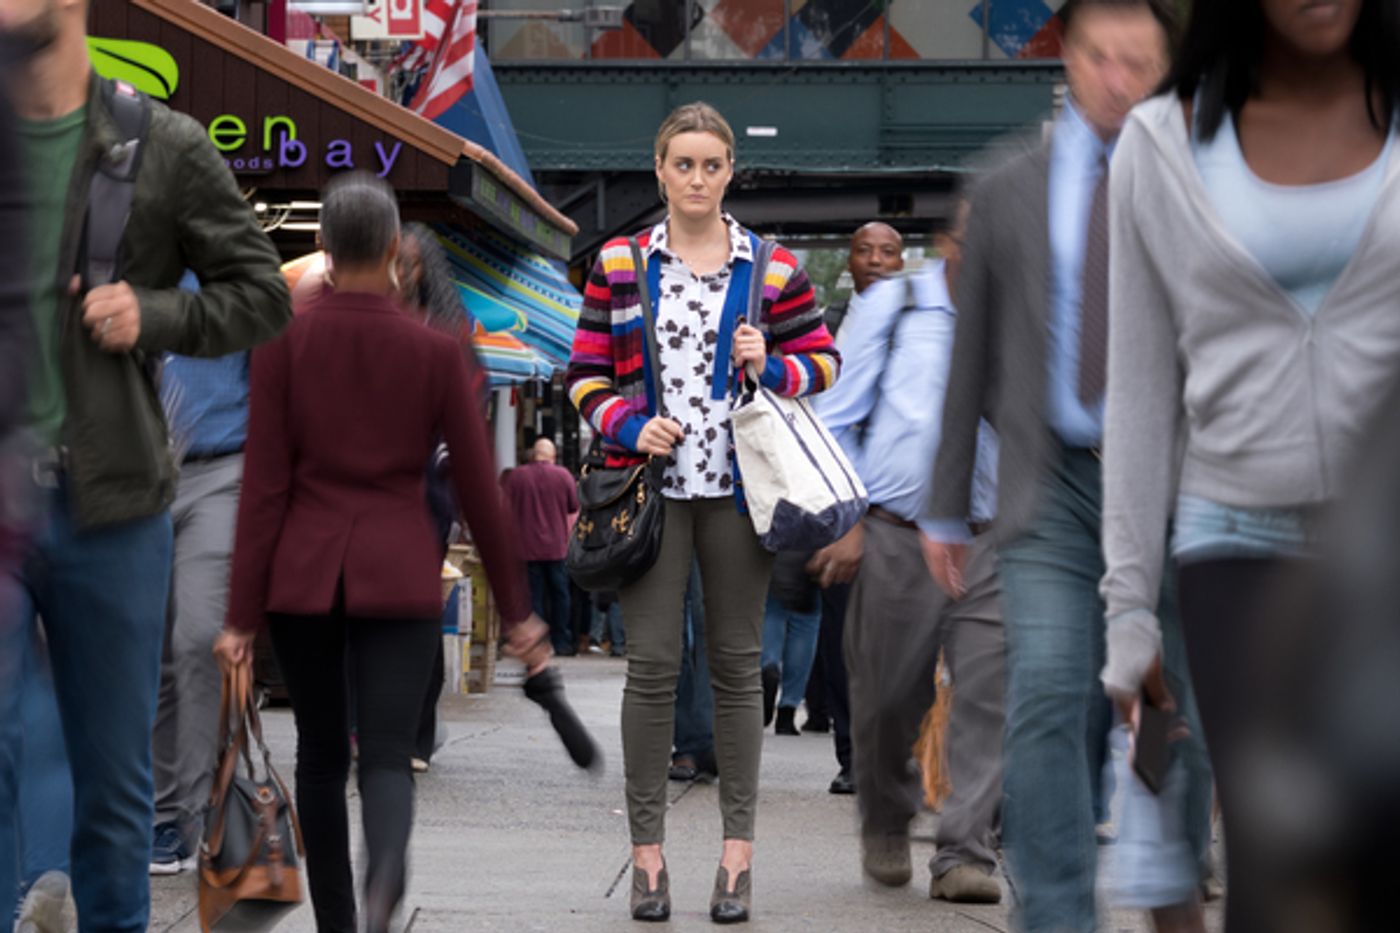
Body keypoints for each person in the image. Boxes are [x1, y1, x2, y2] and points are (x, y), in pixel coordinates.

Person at [1099, 1, 1400, 929]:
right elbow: (1141, 390)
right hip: (1236, 541)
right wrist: (1129, 611)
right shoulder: (1159, 142)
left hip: (1386, 541)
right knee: (1279, 865)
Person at [0, 1, 292, 929]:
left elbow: (262, 294)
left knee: (117, 785)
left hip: (116, 505)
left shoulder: (160, 144)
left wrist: (154, 314)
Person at [923, 1, 1214, 930]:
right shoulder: (1009, 188)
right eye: (1102, 58)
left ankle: (1171, 879)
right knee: (1047, 688)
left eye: (1140, 62)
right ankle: (1056, 913)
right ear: (1069, 57)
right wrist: (942, 506)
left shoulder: (1211, 179)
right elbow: (971, 357)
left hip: (1183, 487)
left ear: (1167, 68)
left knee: (1184, 708)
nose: (1120, 81)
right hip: (1049, 485)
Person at [214, 172, 551, 933]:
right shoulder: (437, 351)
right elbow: (478, 491)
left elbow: (263, 486)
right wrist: (521, 611)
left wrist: (239, 619)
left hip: (302, 581)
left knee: (322, 756)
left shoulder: (282, 342)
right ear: (398, 249)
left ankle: (337, 920)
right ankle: (382, 889)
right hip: (399, 573)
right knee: (390, 756)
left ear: (324, 250)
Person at [566, 101, 839, 923]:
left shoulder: (774, 268)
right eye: (682, 164)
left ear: (729, 172)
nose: (696, 178)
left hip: (738, 490)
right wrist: (625, 421)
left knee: (736, 664)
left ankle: (737, 857)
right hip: (649, 491)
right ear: (660, 171)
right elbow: (581, 376)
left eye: (710, 165)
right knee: (650, 666)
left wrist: (775, 364)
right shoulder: (620, 263)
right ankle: (647, 857)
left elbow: (826, 361)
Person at [814, 205, 1006, 904]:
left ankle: (964, 851)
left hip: (990, 534)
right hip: (897, 528)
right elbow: (838, 417)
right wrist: (848, 517)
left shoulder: (1027, 316)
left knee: (988, 692)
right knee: (890, 695)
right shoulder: (892, 307)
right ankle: (888, 814)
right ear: (950, 244)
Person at [149, 273, 252, 876]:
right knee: (155, 646)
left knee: (198, 638)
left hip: (222, 469)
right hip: (139, 474)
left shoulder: (235, 278)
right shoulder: (132, 265)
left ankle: (204, 806)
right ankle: (165, 815)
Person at [806, 221, 905, 794]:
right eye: (864, 251)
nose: (875, 260)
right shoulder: (826, 328)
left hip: (902, 506)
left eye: (887, 251)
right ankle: (854, 757)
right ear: (848, 261)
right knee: (843, 636)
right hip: (841, 502)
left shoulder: (924, 324)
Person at [501, 437, 579, 655]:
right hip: (556, 547)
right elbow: (573, 506)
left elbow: (505, 507)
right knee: (560, 595)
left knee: (533, 596)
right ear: (552, 456)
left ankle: (537, 643)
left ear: (534, 454)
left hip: (526, 547)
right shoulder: (563, 475)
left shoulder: (517, 476)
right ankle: (561, 641)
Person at [759, 551, 821, 736]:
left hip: (774, 557)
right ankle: (787, 710)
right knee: (804, 629)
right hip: (809, 559)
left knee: (770, 617)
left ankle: (768, 665)